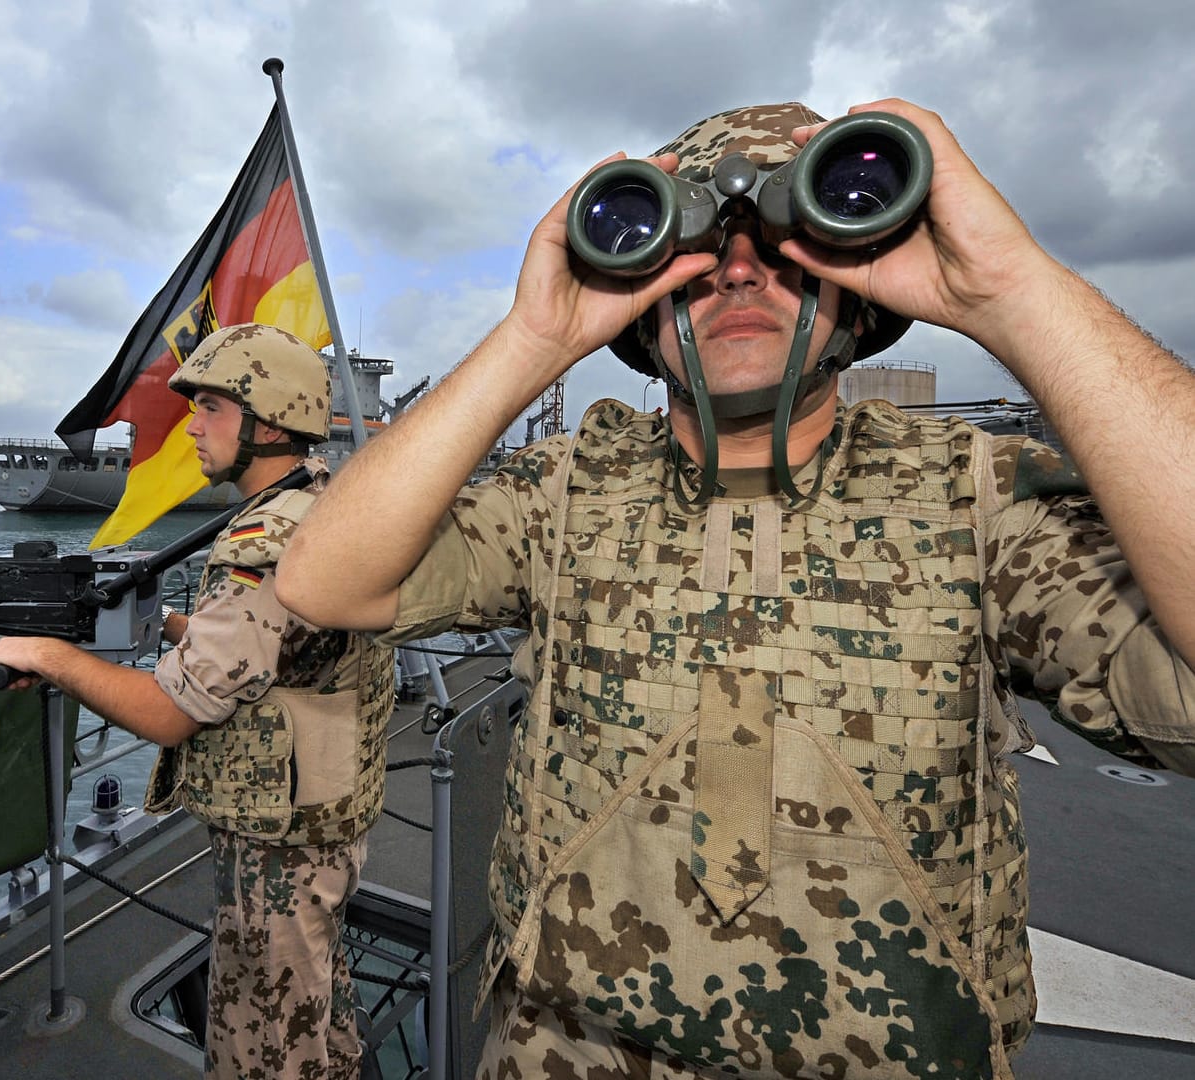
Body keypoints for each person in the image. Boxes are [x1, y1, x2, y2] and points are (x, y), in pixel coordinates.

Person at [276, 99, 1195, 1079]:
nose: (741, 270)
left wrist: (1014, 292)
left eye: (788, 243)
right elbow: (326, 580)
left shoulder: (973, 493)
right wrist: (534, 340)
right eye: (700, 248)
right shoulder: (572, 485)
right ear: (641, 300)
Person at [0, 323, 395, 1080]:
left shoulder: (263, 540)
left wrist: (47, 656)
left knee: (263, 1048)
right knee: (319, 1022)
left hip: (278, 850)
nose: (191, 426)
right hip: (326, 821)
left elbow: (170, 715)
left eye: (210, 407)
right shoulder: (322, 504)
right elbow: (272, 649)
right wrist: (168, 627)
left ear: (268, 423)